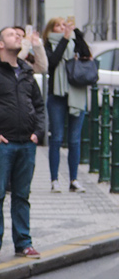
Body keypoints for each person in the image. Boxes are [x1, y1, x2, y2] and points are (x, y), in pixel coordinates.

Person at [0, 26, 46, 259]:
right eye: (11, 34)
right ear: (0, 44)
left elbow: (39, 104)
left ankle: (23, 242)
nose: (18, 36)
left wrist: (38, 131)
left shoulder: (26, 70)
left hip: (26, 142)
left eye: (18, 35)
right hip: (1, 144)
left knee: (22, 195)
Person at [42, 17, 92, 192]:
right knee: (56, 138)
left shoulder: (73, 41)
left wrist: (76, 34)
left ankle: (74, 180)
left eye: (64, 24)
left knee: (75, 140)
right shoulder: (47, 45)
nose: (62, 27)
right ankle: (54, 179)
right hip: (56, 96)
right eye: (58, 25)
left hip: (76, 93)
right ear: (51, 29)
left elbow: (86, 55)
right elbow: (53, 62)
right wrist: (64, 39)